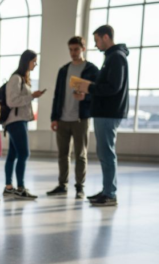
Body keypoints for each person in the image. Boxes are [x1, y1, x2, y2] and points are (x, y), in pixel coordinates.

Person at [75, 25, 129, 207]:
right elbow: (107, 86)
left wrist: (89, 87)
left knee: (106, 153)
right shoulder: (111, 58)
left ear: (106, 37)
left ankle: (110, 194)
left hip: (108, 112)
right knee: (104, 153)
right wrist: (88, 91)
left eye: (97, 40)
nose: (96, 44)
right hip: (104, 112)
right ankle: (107, 190)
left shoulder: (116, 58)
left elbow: (113, 87)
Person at [47, 36, 100, 199]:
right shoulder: (63, 70)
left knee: (80, 155)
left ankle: (79, 187)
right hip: (62, 119)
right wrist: (54, 117)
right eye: (70, 49)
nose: (73, 53)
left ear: (83, 49)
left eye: (76, 49)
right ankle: (62, 185)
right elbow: (57, 95)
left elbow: (98, 93)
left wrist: (86, 97)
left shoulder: (91, 69)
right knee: (62, 155)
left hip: (81, 119)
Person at [2, 50, 45, 200]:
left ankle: (9, 187)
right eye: (34, 61)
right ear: (27, 61)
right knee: (24, 153)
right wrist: (32, 96)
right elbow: (11, 101)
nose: (35, 64)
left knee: (13, 155)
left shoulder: (23, 79)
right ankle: (20, 188)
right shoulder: (16, 78)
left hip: (20, 120)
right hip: (16, 121)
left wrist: (32, 96)